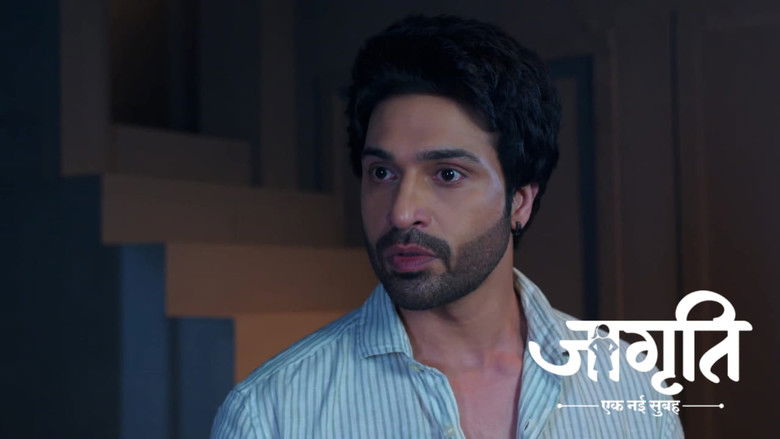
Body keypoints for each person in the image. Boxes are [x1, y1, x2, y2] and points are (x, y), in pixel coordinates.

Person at [211, 14, 684, 438]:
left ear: (519, 200)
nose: (401, 213)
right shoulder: (271, 415)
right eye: (382, 173)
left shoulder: (630, 384)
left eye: (447, 175)